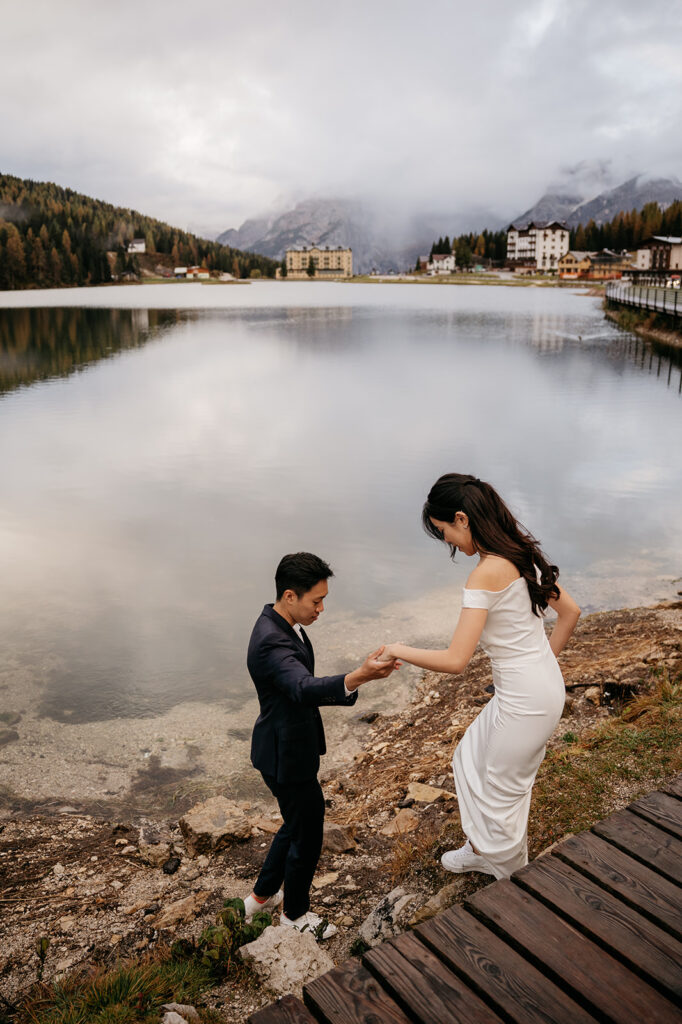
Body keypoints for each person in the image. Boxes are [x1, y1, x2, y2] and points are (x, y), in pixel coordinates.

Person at [380, 473, 580, 880]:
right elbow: (571, 613)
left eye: (444, 532)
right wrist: (542, 666)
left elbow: (456, 660)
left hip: (526, 698)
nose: (449, 543)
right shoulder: (519, 553)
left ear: (461, 518)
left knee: (500, 794)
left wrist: (397, 649)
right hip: (535, 689)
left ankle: (514, 883)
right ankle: (480, 850)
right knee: (469, 757)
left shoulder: (486, 572)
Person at [243, 551, 399, 937]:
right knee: (307, 833)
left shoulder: (280, 623)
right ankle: (295, 917)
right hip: (286, 756)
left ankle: (260, 898)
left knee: (295, 823)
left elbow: (298, 686)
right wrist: (358, 676)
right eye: (317, 600)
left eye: (324, 599)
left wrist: (357, 678)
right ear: (291, 595)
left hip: (285, 747)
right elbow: (301, 686)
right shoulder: (270, 642)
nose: (322, 608)